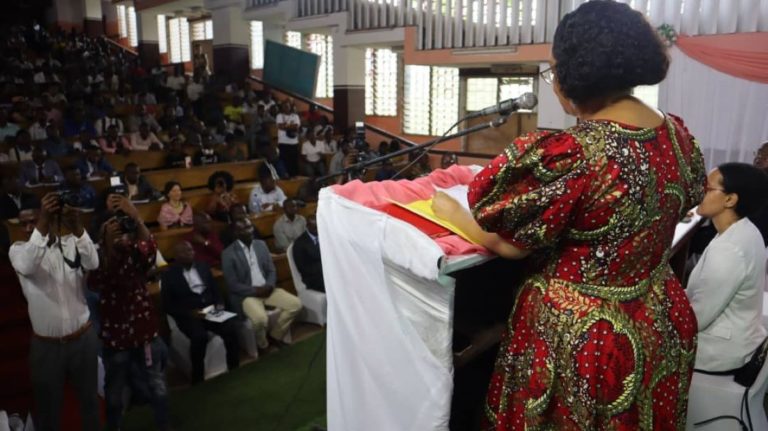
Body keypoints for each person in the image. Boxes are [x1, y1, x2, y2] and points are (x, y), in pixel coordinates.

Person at [431, 2, 705, 429]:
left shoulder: (578, 153)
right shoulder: (676, 134)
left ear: (573, 74)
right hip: (657, 316)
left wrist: (449, 209)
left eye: (553, 69)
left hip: (587, 337)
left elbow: (508, 244)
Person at [9, 192, 100, 431]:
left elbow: (93, 263)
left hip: (83, 337)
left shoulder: (70, 243)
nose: (30, 227)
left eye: (34, 221)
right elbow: (28, 265)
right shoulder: (17, 250)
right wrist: (42, 223)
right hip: (46, 346)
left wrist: (79, 229)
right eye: (25, 223)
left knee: (90, 401)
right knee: (48, 409)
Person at [89, 195, 170, 431]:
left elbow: (151, 250)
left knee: (157, 385)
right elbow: (96, 280)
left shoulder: (134, 250)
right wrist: (106, 244)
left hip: (144, 331)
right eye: (112, 227)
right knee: (114, 392)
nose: (119, 232)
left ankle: (164, 426)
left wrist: (136, 217)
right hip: (116, 337)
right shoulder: (97, 257)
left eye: (121, 226)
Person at [686, 163, 768, 373]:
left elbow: (697, 319)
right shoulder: (745, 229)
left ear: (730, 199)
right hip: (740, 337)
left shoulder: (729, 249)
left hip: (720, 351)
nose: (700, 192)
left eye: (708, 188)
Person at [161, 241, 239, 384]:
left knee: (230, 328)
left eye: (191, 250)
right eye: (185, 252)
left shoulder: (203, 266)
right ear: (176, 256)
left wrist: (220, 304)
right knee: (199, 337)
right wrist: (190, 313)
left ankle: (235, 367)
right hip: (189, 315)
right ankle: (198, 376)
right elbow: (168, 306)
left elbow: (215, 290)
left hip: (210, 310)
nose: (190, 253)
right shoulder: (169, 276)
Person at [221, 218, 302, 352]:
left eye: (250, 227)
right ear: (236, 233)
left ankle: (275, 335)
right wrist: (254, 291)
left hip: (267, 289)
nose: (250, 230)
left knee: (296, 304)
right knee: (260, 319)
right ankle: (263, 344)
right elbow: (232, 284)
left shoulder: (261, 245)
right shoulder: (228, 254)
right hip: (247, 295)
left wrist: (269, 285)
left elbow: (271, 270)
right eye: (245, 228)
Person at [291, 214, 324, 293]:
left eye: (319, 227)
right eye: (315, 228)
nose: (318, 230)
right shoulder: (299, 243)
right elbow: (303, 268)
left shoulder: (324, 236)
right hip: (313, 278)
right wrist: (324, 266)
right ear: (307, 226)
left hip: (328, 273)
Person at [276, 101, 301, 176]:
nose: (286, 108)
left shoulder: (295, 116)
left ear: (290, 107)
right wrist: (291, 126)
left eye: (287, 106)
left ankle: (294, 177)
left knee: (294, 162)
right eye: (284, 106)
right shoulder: (279, 116)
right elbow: (280, 127)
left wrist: (286, 126)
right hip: (283, 143)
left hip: (294, 143)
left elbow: (296, 127)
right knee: (284, 161)